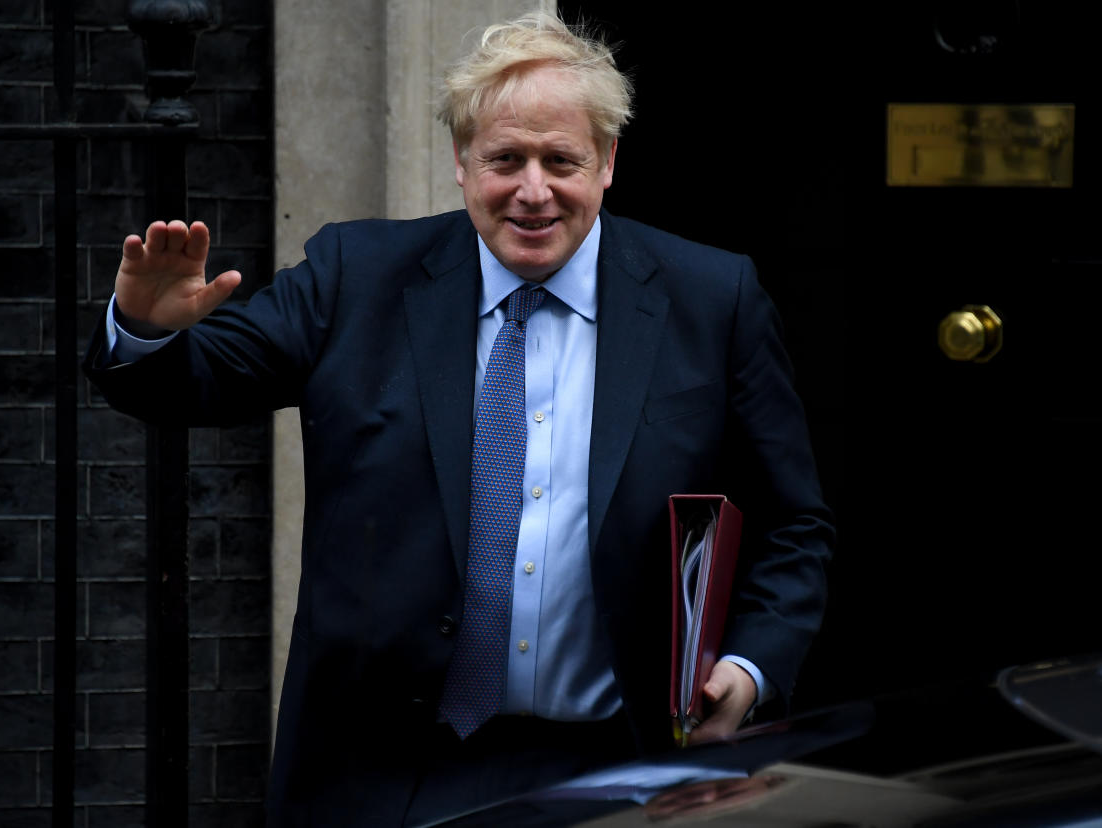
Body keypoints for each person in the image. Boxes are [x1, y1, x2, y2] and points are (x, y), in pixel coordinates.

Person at [83, 10, 833, 827]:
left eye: (562, 161)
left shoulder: (710, 299)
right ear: (461, 164)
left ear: (609, 162)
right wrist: (148, 330)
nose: (533, 191)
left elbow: (794, 524)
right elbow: (193, 386)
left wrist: (753, 666)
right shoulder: (355, 276)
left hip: (626, 769)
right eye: (505, 160)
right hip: (379, 777)